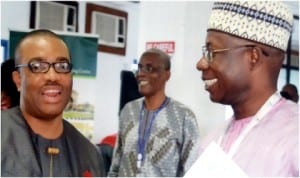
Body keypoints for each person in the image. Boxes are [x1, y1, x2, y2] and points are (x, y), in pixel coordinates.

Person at [196, 1, 298, 177]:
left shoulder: (294, 135)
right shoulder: (213, 140)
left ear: (253, 56)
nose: (201, 63)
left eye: (213, 52)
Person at [1, 29, 106, 177]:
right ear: (18, 79)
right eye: (37, 67)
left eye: (62, 67)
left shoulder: (89, 155)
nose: (52, 76)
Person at [108, 48, 200, 177]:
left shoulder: (184, 116)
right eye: (139, 68)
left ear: (167, 75)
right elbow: (116, 165)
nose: (141, 74)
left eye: (150, 68)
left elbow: (191, 171)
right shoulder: (128, 111)